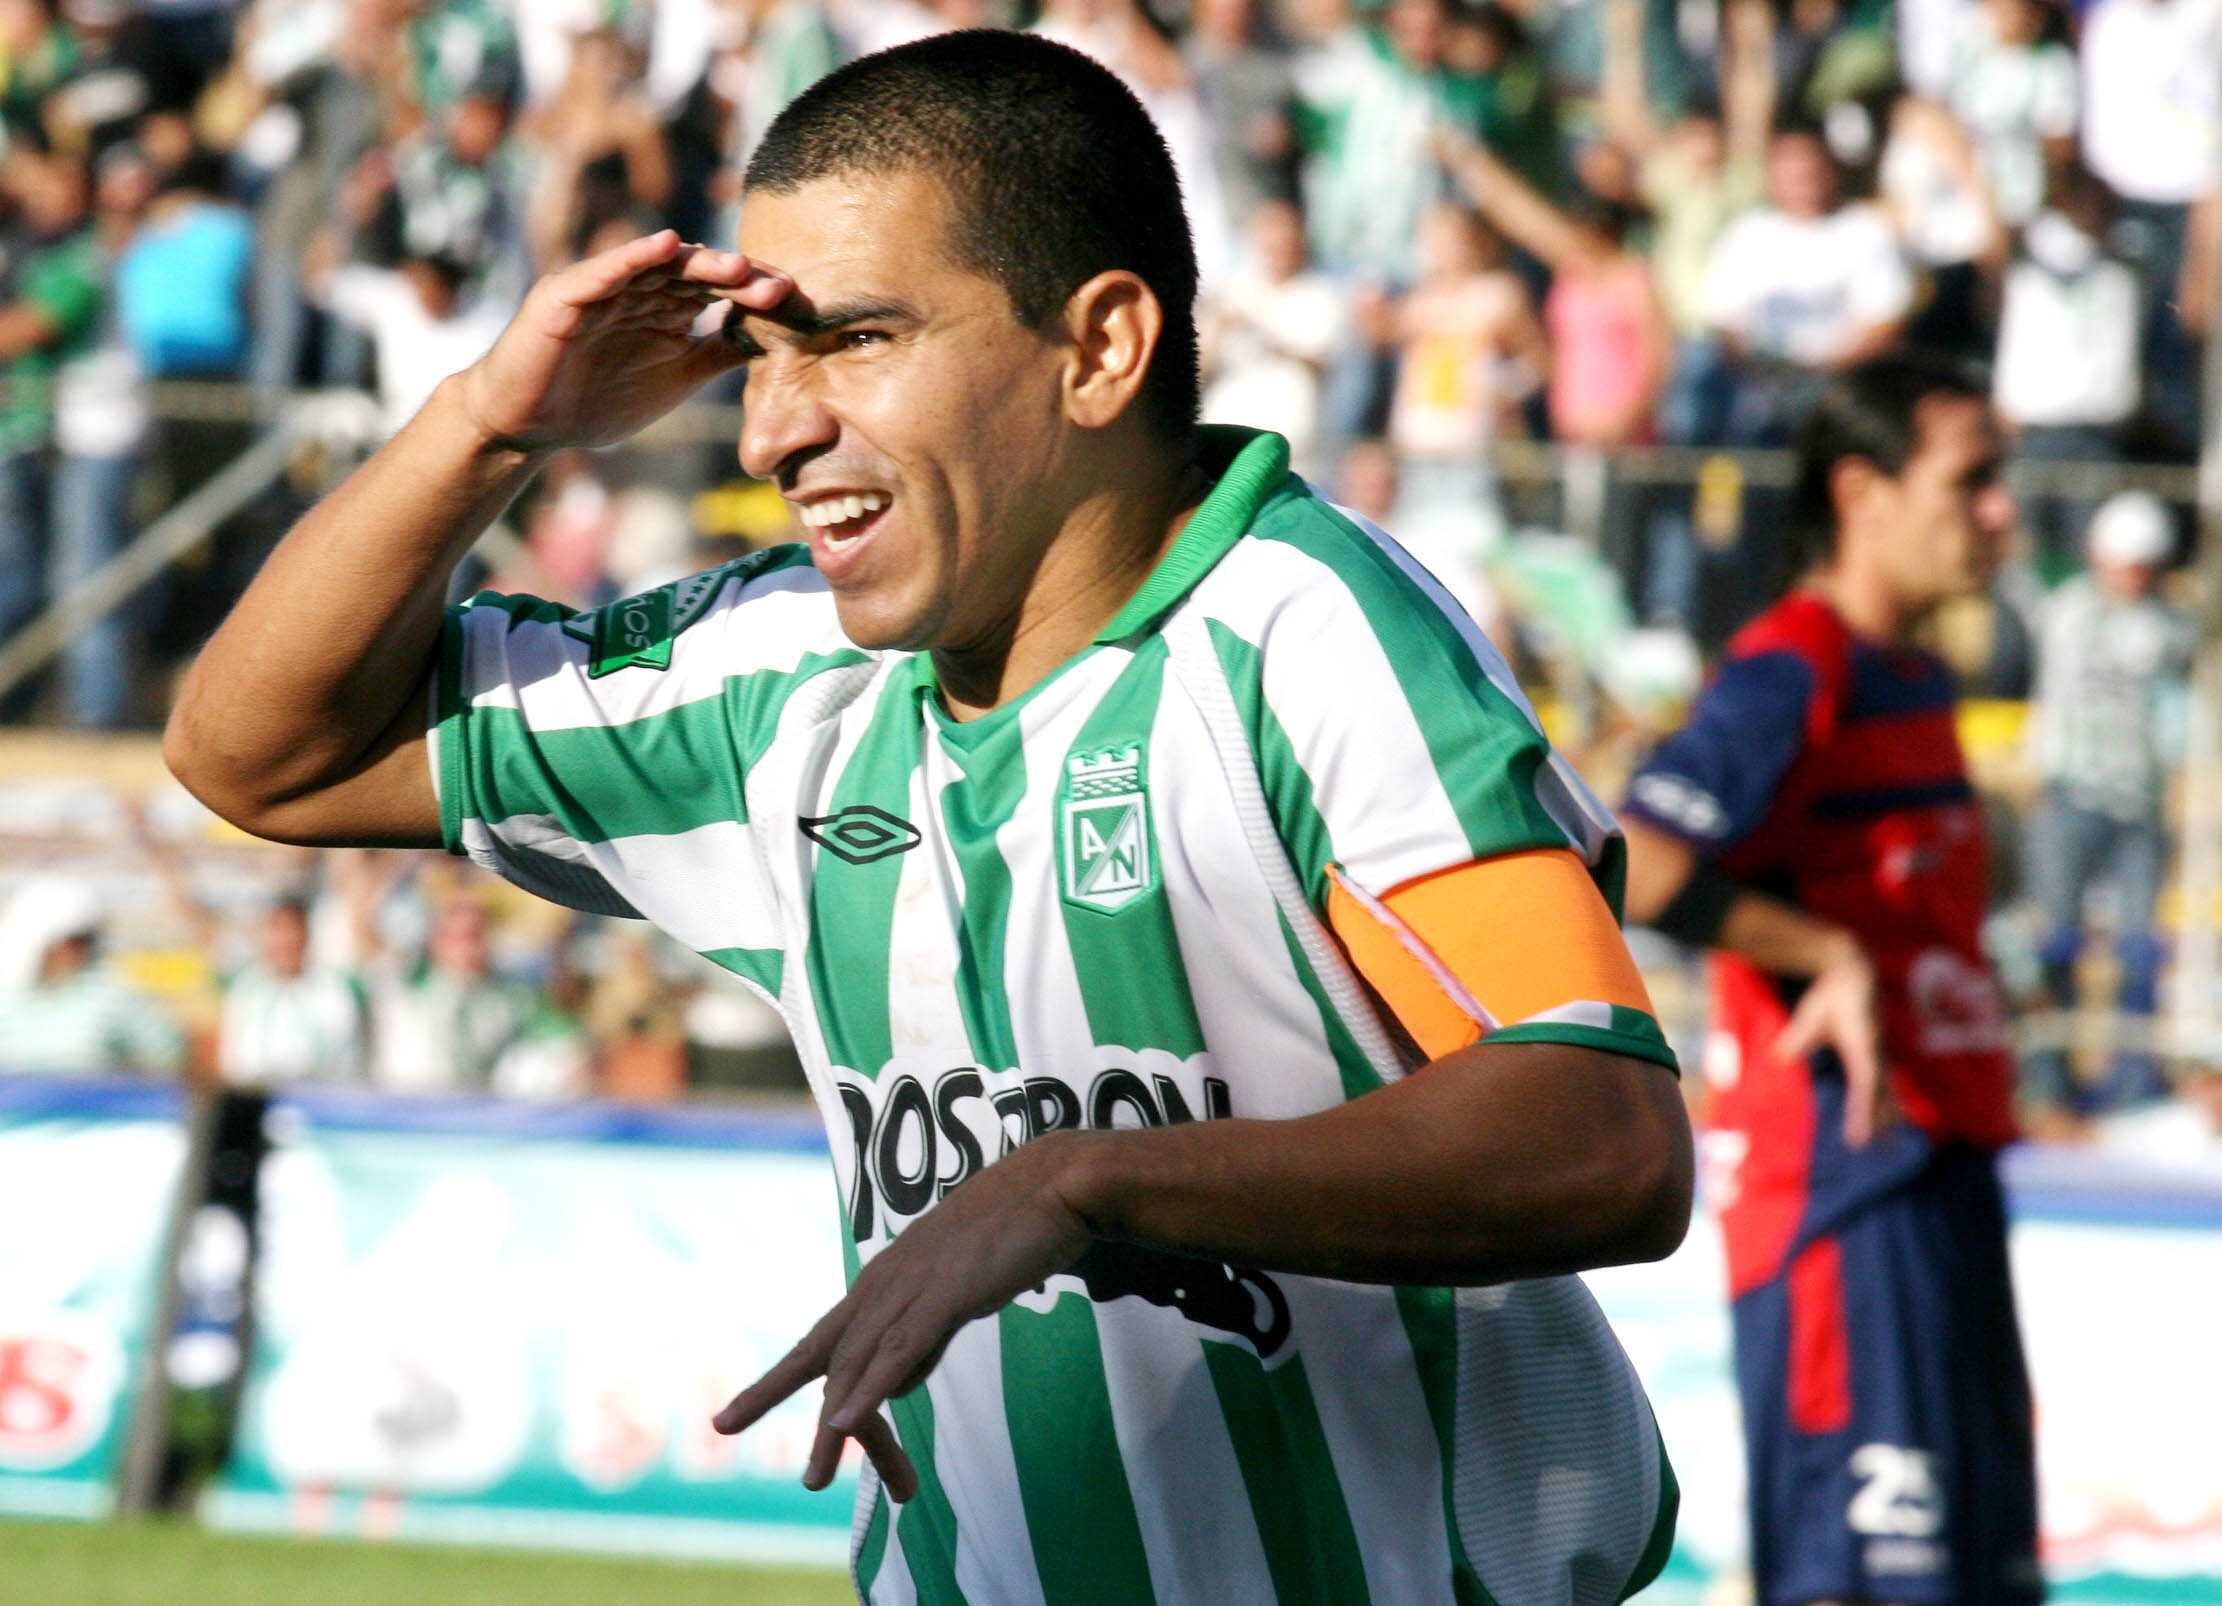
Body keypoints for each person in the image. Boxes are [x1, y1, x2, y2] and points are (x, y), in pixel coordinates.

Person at [167, 32, 1691, 1601]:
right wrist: (491, 422)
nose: (769, 431)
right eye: (760, 353)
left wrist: (1075, 1180)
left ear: (1097, 347)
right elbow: (258, 758)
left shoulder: (1306, 630)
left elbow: (1601, 1134)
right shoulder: (773, 678)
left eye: (852, 339)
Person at [1618, 353, 2039, 1605]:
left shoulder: (1906, 671)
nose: (1998, 511)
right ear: (1859, 490)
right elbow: (1631, 858)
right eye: (1971, 480)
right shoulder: (1791, 663)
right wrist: (1825, 954)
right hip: (1841, 1198)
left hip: (1940, 1162)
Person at [2025, 491, 2194, 1118]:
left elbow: (2177, 712)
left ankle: (2134, 1079)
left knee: (2139, 945)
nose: (2136, 577)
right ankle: (2047, 1076)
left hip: (2138, 805)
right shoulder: (2068, 611)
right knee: (2056, 940)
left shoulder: (2168, 627)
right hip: (2070, 792)